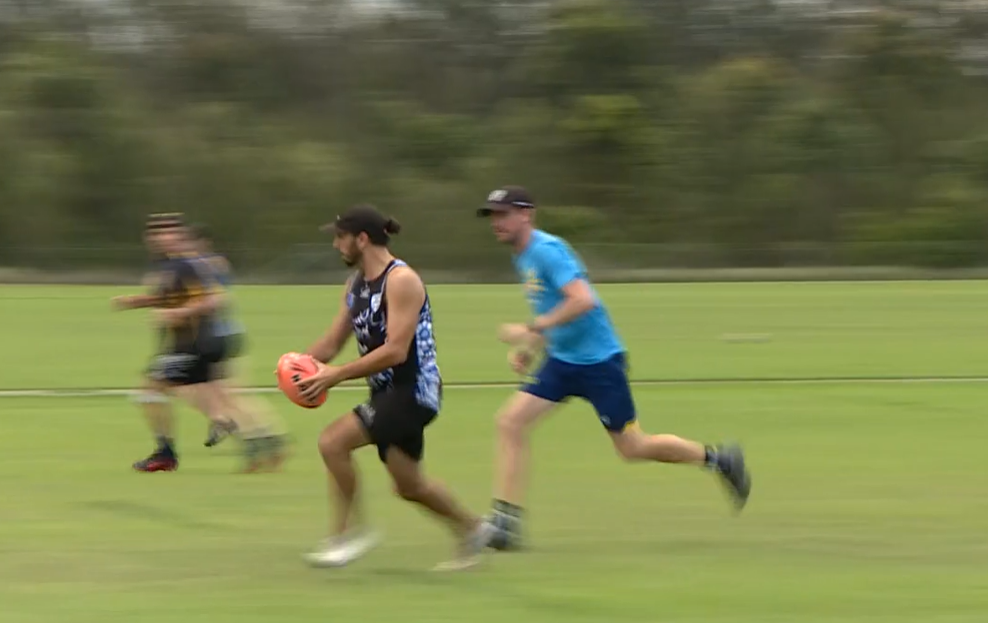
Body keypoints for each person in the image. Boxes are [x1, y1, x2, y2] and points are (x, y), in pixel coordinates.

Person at [475, 186, 752, 551]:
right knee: (510, 422)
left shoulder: (547, 251)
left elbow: (583, 300)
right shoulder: (522, 256)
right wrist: (533, 346)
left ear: (526, 214)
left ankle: (719, 459)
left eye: (504, 214)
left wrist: (531, 329)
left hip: (599, 363)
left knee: (633, 447)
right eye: (493, 216)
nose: (497, 223)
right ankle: (506, 525)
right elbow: (554, 308)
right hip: (562, 361)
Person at [293, 204, 491, 570]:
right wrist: (297, 366)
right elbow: (334, 341)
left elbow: (397, 351)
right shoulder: (354, 286)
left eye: (340, 237)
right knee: (409, 486)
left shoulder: (401, 280)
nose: (336, 245)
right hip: (386, 393)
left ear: (362, 239)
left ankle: (347, 534)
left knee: (332, 442)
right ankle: (474, 529)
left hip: (415, 389)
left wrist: (335, 375)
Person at [112, 213, 231, 473]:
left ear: (180, 237)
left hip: (192, 344)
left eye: (169, 232)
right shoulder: (169, 266)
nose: (162, 238)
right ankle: (220, 418)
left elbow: (215, 300)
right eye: (157, 233)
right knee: (180, 389)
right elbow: (166, 298)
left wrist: (179, 313)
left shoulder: (186, 265)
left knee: (149, 392)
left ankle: (166, 453)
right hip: (184, 344)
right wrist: (136, 302)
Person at [186, 223, 288, 472]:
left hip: (218, 338)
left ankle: (262, 442)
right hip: (221, 336)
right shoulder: (207, 266)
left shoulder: (206, 266)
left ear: (201, 243)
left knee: (220, 396)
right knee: (227, 395)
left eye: (188, 242)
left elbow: (215, 299)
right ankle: (268, 440)